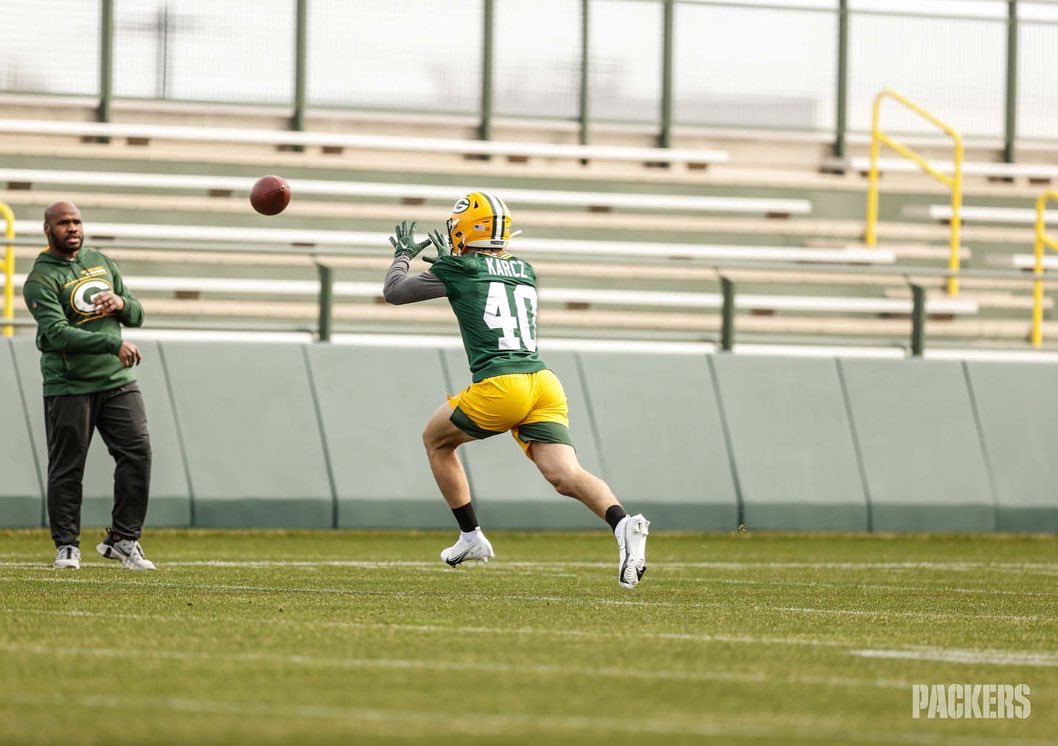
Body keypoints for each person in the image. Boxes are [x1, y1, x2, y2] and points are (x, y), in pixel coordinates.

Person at [383, 191, 649, 589]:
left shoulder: (459, 267)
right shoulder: (525, 268)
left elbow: (394, 292)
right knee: (565, 474)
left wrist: (403, 255)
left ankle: (471, 536)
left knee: (436, 442)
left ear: (465, 230)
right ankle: (623, 523)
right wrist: (457, 267)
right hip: (543, 383)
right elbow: (485, 278)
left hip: (501, 385)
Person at [22, 201, 156, 571]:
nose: (73, 228)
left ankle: (123, 538)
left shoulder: (101, 261)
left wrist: (120, 303)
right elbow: (58, 335)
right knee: (68, 466)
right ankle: (67, 544)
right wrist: (112, 343)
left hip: (116, 380)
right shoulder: (40, 279)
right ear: (47, 229)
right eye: (63, 222)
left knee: (138, 453)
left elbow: (138, 314)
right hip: (69, 384)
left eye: (77, 221)